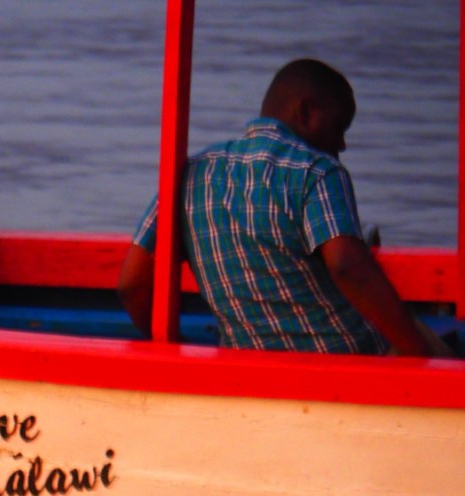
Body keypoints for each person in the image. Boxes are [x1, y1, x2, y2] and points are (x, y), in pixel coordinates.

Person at [117, 58, 441, 357]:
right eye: (339, 127)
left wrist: (176, 346)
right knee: (432, 347)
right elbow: (345, 265)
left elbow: (131, 283)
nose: (342, 144)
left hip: (246, 369)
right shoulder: (317, 171)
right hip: (345, 359)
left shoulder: (190, 174)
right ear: (306, 111)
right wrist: (420, 356)